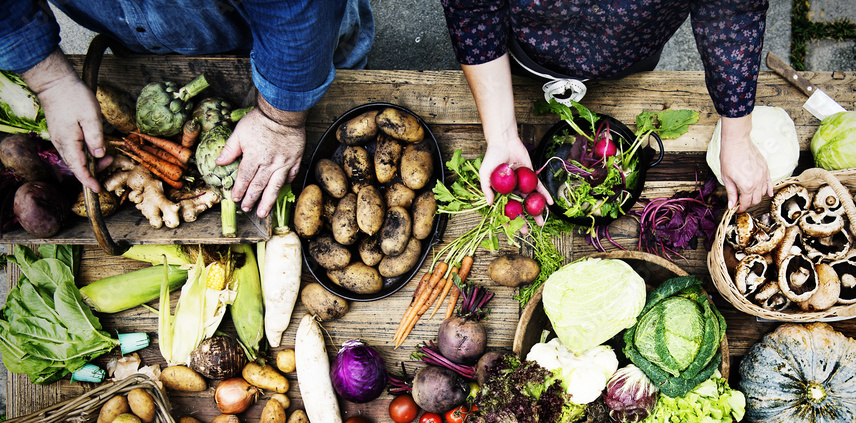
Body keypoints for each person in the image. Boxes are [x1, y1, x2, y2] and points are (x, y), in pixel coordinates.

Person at [0, 0, 373, 217]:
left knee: (336, 85)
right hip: (140, 40)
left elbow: (300, 8)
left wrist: (280, 119)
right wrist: (50, 80)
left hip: (298, 38)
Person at [439, 0, 773, 213]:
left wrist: (738, 134)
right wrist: (500, 134)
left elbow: (732, 11)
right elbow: (473, 10)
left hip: (630, 51)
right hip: (522, 49)